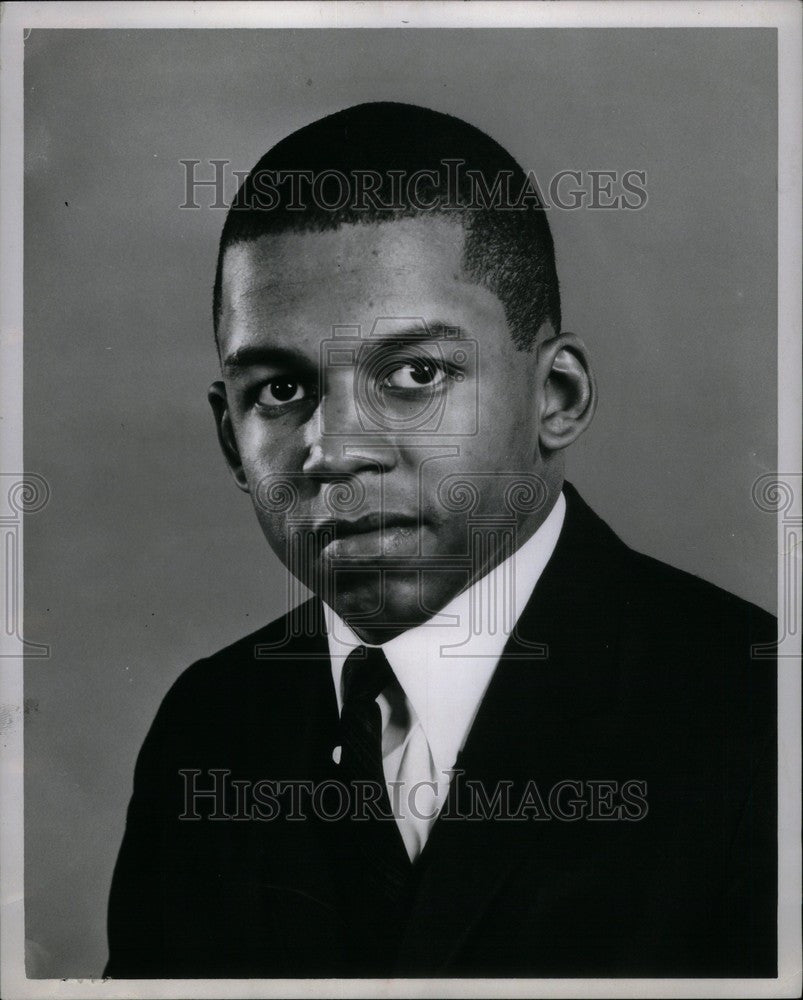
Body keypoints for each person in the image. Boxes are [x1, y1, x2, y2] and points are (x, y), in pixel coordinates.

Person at [105, 103, 776, 979]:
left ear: (557, 396)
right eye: (276, 390)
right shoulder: (207, 728)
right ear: (230, 437)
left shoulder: (759, 716)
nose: (335, 449)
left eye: (414, 374)